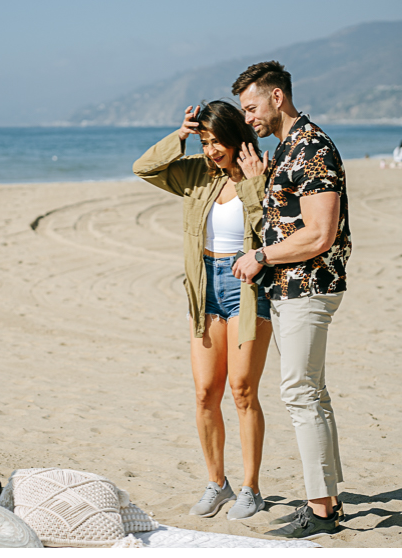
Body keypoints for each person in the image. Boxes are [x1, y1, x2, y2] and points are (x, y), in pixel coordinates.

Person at [133, 101, 273, 521]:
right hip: (204, 287)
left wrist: (253, 182)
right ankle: (218, 483)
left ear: (236, 137)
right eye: (205, 141)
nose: (212, 150)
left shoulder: (258, 172)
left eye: (218, 141)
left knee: (243, 391)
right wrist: (178, 136)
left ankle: (251, 488)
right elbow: (145, 168)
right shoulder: (195, 173)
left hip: (247, 286)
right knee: (204, 393)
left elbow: (268, 228)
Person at [231, 61, 350, 540]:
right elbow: (284, 217)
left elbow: (319, 234)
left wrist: (259, 255)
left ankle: (320, 510)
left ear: (277, 97)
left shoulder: (313, 147)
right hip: (290, 289)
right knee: (311, 395)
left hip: (310, 287)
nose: (248, 118)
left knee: (300, 394)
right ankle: (327, 502)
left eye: (251, 107)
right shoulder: (285, 149)